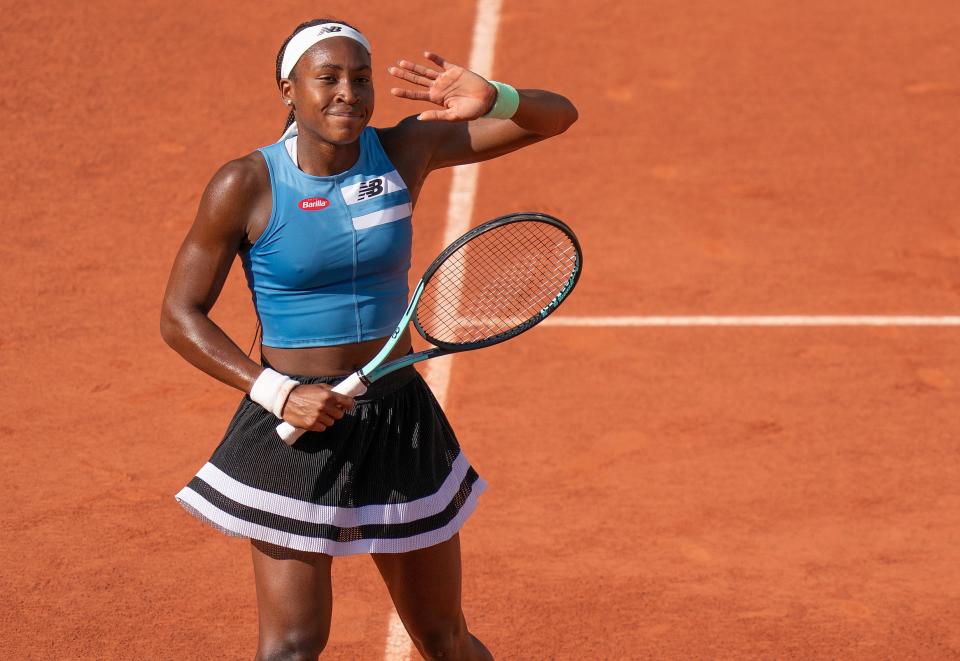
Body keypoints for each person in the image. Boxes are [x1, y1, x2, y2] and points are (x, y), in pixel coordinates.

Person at [160, 17, 577, 661]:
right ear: (287, 90)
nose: (346, 93)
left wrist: (495, 96)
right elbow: (180, 316)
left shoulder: (407, 149)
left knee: (444, 641)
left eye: (359, 78)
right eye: (325, 78)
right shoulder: (245, 183)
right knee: (292, 649)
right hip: (289, 423)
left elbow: (557, 117)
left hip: (397, 416)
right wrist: (277, 391)